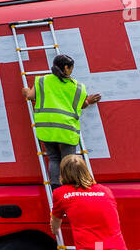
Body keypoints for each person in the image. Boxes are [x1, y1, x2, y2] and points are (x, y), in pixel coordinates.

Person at [22, 53, 102, 188]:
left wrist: (25, 90)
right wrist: (89, 100)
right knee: (69, 161)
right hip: (67, 130)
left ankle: (56, 188)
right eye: (71, 68)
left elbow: (30, 96)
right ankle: (69, 188)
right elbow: (81, 105)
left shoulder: (43, 80)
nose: (72, 70)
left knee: (53, 158)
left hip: (46, 128)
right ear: (66, 68)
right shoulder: (77, 86)